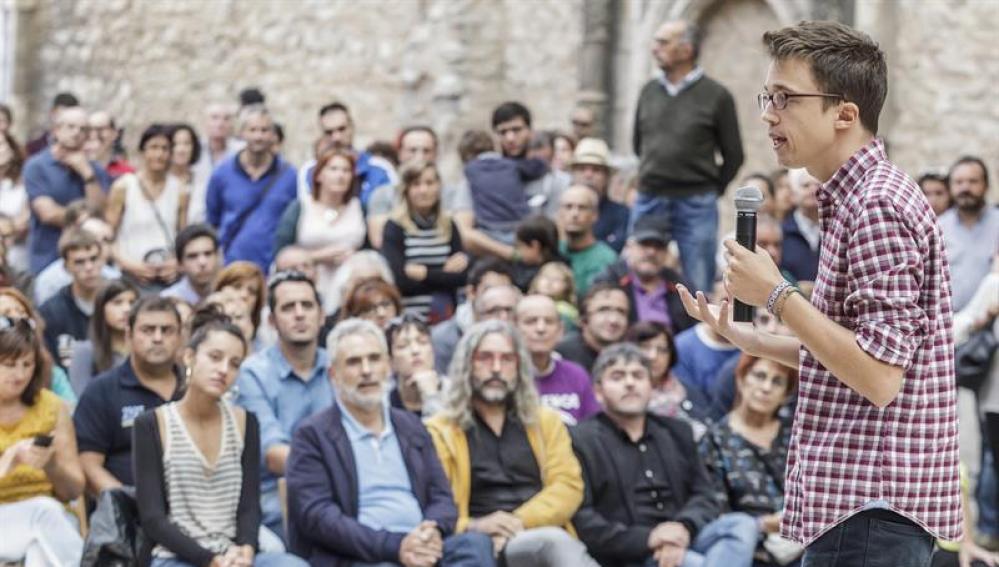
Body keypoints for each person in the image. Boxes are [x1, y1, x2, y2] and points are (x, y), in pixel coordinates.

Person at [680, 21, 962, 564]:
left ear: (845, 114)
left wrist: (777, 293)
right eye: (767, 96)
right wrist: (756, 341)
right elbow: (852, 352)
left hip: (871, 506)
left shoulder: (876, 206)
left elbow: (879, 377)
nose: (767, 114)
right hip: (860, 505)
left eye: (784, 98)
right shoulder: (856, 200)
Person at [286, 318, 494, 566]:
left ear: (387, 366)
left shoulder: (410, 426)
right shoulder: (313, 435)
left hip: (420, 546)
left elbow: (442, 498)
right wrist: (395, 546)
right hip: (361, 554)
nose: (367, 370)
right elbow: (319, 518)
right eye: (354, 362)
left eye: (374, 359)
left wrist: (432, 531)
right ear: (334, 374)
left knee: (475, 545)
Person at [134, 306, 307, 567]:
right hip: (175, 557)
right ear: (190, 357)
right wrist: (210, 560)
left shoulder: (246, 422)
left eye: (234, 363)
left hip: (232, 553)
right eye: (215, 357)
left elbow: (249, 505)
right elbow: (153, 518)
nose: (224, 369)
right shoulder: (152, 424)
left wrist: (246, 550)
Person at [426, 320, 599, 566]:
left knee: (554, 541)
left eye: (507, 359)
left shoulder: (544, 421)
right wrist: (476, 526)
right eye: (485, 358)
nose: (496, 368)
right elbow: (436, 504)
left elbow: (568, 486)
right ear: (467, 365)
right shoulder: (441, 430)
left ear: (519, 367)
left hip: (535, 531)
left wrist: (515, 522)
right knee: (554, 543)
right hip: (477, 542)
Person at [572, 343, 758, 567]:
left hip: (684, 537)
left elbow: (704, 494)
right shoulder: (581, 440)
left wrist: (682, 528)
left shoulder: (678, 431)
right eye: (618, 377)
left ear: (651, 386)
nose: (630, 383)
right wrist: (649, 539)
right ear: (598, 392)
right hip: (631, 551)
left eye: (638, 375)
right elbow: (584, 518)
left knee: (742, 524)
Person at [632, 19, 744, 293]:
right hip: (650, 196)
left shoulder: (717, 96)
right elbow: (638, 144)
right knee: (636, 272)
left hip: (696, 203)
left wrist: (709, 189)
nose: (654, 48)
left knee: (699, 279)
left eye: (662, 42)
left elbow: (734, 154)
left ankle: (694, 332)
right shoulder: (648, 91)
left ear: (686, 50)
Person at [235, 270, 331, 541]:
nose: (299, 314)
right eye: (288, 307)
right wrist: (339, 467)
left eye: (307, 305)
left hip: (339, 490)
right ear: (271, 320)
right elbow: (273, 455)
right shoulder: (252, 373)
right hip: (277, 497)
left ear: (322, 315)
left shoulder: (339, 366)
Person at [72, 296, 184, 497]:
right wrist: (128, 502)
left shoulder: (193, 388)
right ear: (128, 336)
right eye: (148, 330)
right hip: (126, 513)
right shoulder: (102, 391)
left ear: (180, 337)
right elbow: (88, 464)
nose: (158, 338)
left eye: (166, 330)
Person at [0, 312, 86, 566]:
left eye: (27, 365)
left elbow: (74, 490)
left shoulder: (50, 405)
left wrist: (50, 465)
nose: (19, 375)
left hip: (51, 518)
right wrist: (9, 460)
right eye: (9, 365)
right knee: (43, 512)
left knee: (41, 548)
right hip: (11, 519)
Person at [699, 354, 799, 567]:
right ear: (741, 380)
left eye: (777, 382)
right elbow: (716, 512)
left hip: (801, 538)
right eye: (759, 376)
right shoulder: (715, 439)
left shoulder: (795, 435)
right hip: (747, 546)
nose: (765, 388)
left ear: (785, 395)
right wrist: (764, 525)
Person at [206, 105, 297, 271]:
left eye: (264, 130)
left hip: (274, 267)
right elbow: (213, 220)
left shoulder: (290, 176)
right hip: (232, 264)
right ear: (242, 133)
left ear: (273, 135)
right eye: (253, 130)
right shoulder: (221, 173)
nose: (258, 136)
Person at [23, 105, 112, 274]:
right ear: (56, 130)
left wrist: (86, 174)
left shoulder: (95, 169)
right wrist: (85, 221)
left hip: (88, 262)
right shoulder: (37, 166)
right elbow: (48, 213)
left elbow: (100, 212)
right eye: (71, 127)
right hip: (48, 259)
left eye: (83, 129)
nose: (77, 132)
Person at [274, 149, 365, 303]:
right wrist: (317, 257)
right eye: (333, 169)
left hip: (348, 289)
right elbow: (281, 251)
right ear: (319, 175)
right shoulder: (300, 207)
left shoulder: (360, 208)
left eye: (346, 170)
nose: (340, 175)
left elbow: (370, 250)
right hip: (306, 285)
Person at [382, 161, 467, 323]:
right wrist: (444, 273)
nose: (424, 190)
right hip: (410, 316)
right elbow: (401, 281)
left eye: (429, 183)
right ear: (406, 189)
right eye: (416, 184)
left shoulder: (449, 224)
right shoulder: (394, 226)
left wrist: (424, 273)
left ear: (439, 186)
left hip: (448, 314)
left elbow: (461, 277)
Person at [105, 124, 187, 291]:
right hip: (130, 275)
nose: (159, 154)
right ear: (143, 151)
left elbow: (182, 236)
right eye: (153, 147)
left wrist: (176, 264)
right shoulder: (124, 186)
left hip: (166, 276)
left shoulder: (179, 189)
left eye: (165, 149)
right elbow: (108, 237)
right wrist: (129, 265)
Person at [594, 216, 696, 335]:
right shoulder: (609, 280)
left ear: (667, 252)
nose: (651, 252)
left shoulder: (680, 286)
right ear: (629, 247)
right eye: (645, 244)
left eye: (659, 246)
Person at [515, 294, 599, 425]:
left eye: (549, 321)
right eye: (531, 321)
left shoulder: (576, 375)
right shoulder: (507, 377)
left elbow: (594, 428)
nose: (541, 329)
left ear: (560, 330)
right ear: (514, 328)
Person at [457, 129, 547, 246]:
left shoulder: (470, 170)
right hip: (519, 224)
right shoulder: (510, 164)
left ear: (466, 156)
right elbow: (536, 167)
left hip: (489, 228)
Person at [297, 102, 395, 208]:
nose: (336, 138)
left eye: (341, 129)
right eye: (329, 132)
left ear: (352, 128)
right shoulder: (310, 171)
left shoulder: (380, 169)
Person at [39, 228, 108, 369]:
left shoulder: (119, 301)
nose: (89, 267)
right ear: (66, 266)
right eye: (79, 262)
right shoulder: (51, 312)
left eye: (94, 259)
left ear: (102, 260)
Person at [431, 258, 515, 373]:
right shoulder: (442, 338)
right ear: (471, 293)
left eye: (503, 290)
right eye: (489, 290)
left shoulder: (518, 330)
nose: (496, 297)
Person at [365, 126, 443, 248]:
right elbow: (379, 240)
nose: (419, 156)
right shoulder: (382, 194)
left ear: (436, 154)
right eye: (412, 150)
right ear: (400, 153)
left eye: (426, 151)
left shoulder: (448, 193)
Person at [938, 156, 998, 312]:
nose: (965, 188)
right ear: (950, 187)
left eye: (973, 181)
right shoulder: (938, 227)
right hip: (951, 326)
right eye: (959, 182)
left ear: (986, 185)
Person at [0, 287, 76, 403]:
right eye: (6, 313)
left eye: (22, 312)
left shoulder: (50, 371)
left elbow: (72, 410)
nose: (18, 317)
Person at [624, 321, 705, 427]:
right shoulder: (622, 392)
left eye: (662, 350)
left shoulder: (687, 391)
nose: (653, 356)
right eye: (645, 347)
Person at [67, 279, 137, 396]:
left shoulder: (143, 349)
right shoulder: (84, 351)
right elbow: (81, 398)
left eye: (132, 302)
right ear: (101, 308)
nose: (127, 309)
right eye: (117, 302)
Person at [571, 137, 630, 253]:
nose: (588, 175)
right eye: (582, 169)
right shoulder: (561, 212)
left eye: (596, 170)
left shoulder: (621, 214)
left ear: (607, 177)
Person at [558, 184, 617, 296]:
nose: (575, 214)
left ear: (595, 215)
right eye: (568, 207)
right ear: (560, 213)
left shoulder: (607, 259)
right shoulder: (552, 250)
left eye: (582, 207)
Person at [556, 282, 629, 373]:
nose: (613, 320)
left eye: (621, 312)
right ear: (582, 319)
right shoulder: (562, 355)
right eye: (603, 310)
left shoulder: (630, 356)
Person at [386, 313, 445, 417]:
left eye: (422, 342)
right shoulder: (383, 402)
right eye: (403, 346)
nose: (415, 350)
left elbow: (448, 432)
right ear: (390, 361)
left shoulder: (456, 393)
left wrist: (431, 396)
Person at [161, 223, 221, 306]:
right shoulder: (167, 302)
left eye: (208, 254)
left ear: (218, 257)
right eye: (192, 256)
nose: (202, 262)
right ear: (180, 264)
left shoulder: (231, 297)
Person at [779, 168, 820, 284]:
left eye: (818, 185)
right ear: (792, 195)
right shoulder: (781, 230)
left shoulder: (834, 230)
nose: (813, 190)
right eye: (806, 186)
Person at [213, 261, 266, 346]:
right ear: (221, 289)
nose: (244, 295)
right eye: (237, 287)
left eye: (252, 291)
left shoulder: (262, 341)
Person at [511, 214, 564, 293]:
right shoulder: (519, 266)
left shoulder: (559, 270)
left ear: (535, 246)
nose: (518, 251)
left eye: (520, 246)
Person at [0, 131, 29, 273]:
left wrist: (9, 227)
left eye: (1, 144)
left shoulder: (26, 180)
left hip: (19, 257)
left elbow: (24, 223)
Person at [167, 123, 206, 226]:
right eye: (175, 144)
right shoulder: (161, 181)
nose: (181, 150)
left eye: (187, 144)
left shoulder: (204, 180)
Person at [528, 261, 579, 332]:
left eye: (556, 279)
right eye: (545, 277)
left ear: (567, 286)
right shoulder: (525, 304)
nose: (549, 282)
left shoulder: (566, 311)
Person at [24, 92, 79, 157]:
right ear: (52, 113)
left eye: (71, 119)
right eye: (61, 116)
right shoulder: (32, 148)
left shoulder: (85, 150)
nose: (65, 123)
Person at [84, 111, 134, 179]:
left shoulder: (126, 173)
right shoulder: (75, 168)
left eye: (100, 129)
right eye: (89, 129)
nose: (93, 135)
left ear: (114, 134)